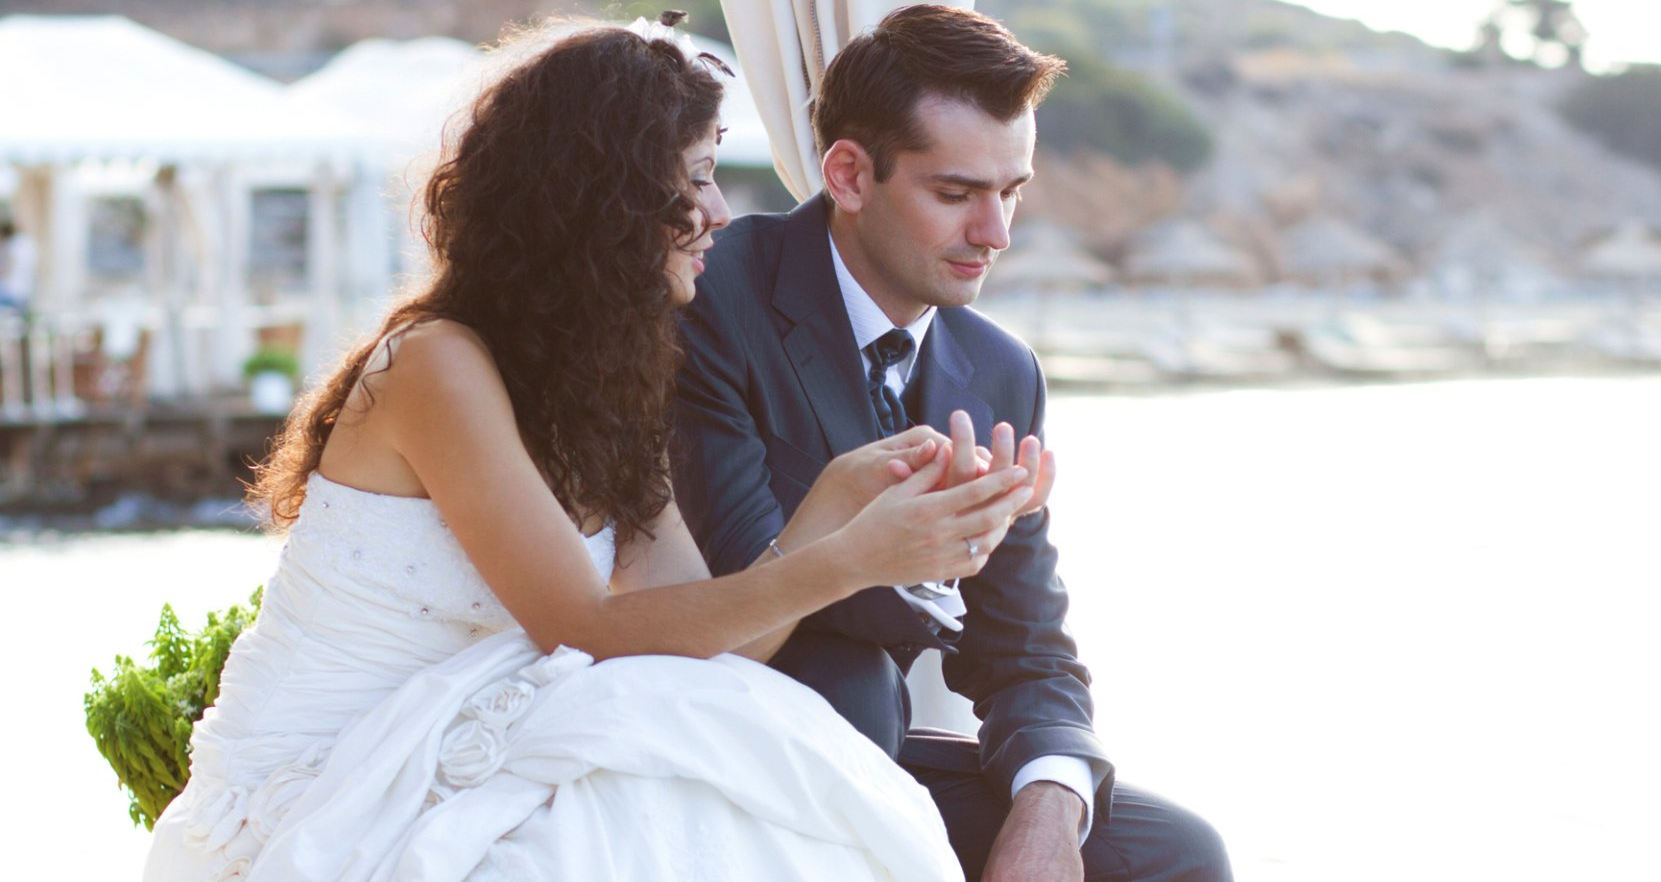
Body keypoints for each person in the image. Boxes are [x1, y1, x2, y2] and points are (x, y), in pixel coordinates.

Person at [142, 18, 1042, 882]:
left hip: (473, 738)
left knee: (742, 751)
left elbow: (705, 636)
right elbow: (583, 629)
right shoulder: (436, 366)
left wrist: (843, 504)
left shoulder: (610, 387)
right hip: (330, 779)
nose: (722, 211)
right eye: (693, 180)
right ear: (601, 198)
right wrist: (850, 560)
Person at [675, 6, 1231, 880]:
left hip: (880, 759)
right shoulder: (720, 299)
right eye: (957, 193)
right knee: (855, 681)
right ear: (850, 175)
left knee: (1178, 854)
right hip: (729, 738)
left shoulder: (1002, 371)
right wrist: (901, 546)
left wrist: (1051, 804)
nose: (996, 234)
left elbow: (1029, 649)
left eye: (1012, 191)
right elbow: (742, 585)